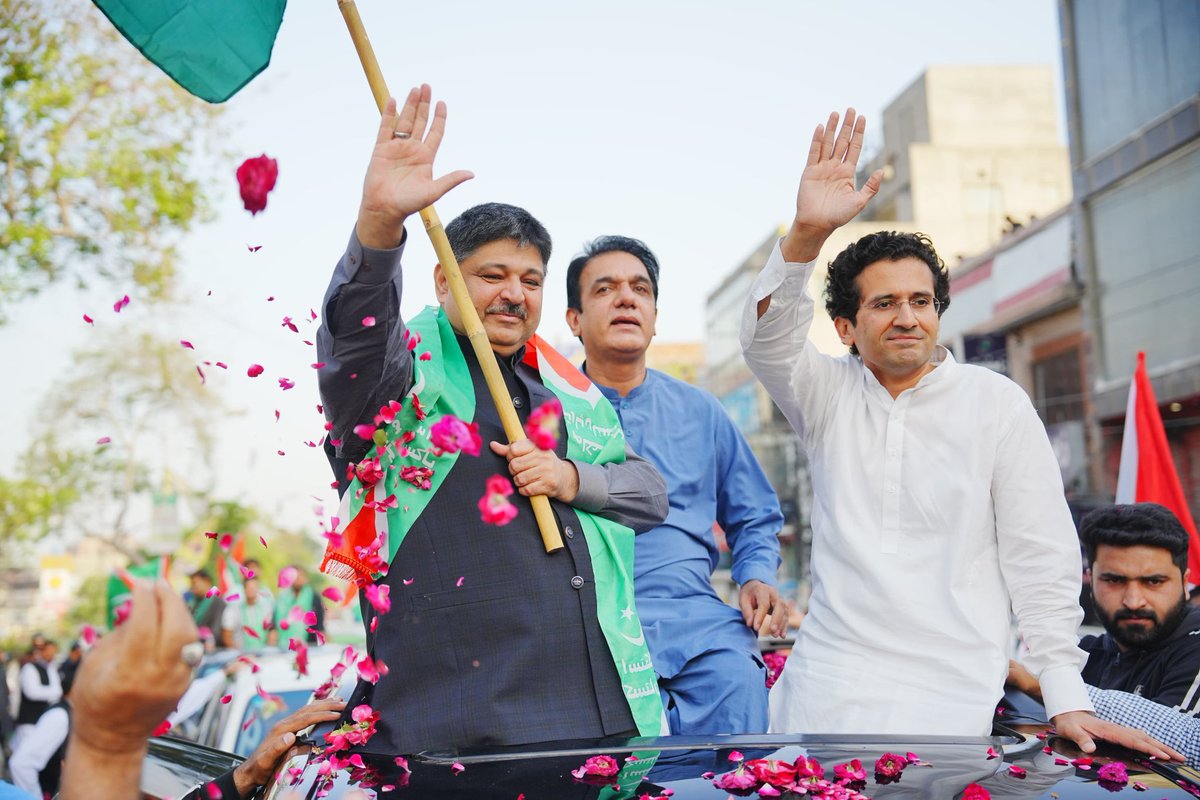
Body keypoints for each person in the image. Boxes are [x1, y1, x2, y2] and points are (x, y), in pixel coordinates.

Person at [738, 107, 1180, 759]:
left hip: (949, 708)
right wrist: (805, 234)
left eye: (921, 301)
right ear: (844, 328)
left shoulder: (995, 403)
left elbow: (1040, 555)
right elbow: (765, 339)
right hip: (825, 696)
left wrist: (1065, 694)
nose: (908, 317)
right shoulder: (826, 394)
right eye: (884, 303)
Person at [315, 85, 668, 753]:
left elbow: (649, 494)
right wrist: (378, 226)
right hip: (456, 740)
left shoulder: (568, 394)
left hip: (597, 730)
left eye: (531, 280)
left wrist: (568, 478)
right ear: (444, 282)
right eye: (491, 275)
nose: (514, 294)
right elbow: (354, 345)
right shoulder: (400, 378)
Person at [564, 234, 785, 734]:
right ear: (574, 319)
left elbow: (754, 514)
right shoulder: (544, 410)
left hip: (693, 617)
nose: (626, 298)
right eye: (605, 289)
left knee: (737, 683)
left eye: (640, 289)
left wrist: (755, 575)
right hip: (584, 621)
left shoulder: (701, 410)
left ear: (655, 315)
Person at [1009, 503, 1200, 716]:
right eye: (1114, 580)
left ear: (1184, 584)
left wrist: (1049, 688)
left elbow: (1181, 738)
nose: (1134, 601)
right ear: (1091, 580)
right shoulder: (1084, 655)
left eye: (1154, 582)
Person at [11, 639, 60, 752]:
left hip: (44, 721)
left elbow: (57, 690)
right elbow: (32, 692)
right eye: (48, 651)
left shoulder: (50, 668)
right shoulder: (30, 668)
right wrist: (54, 692)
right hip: (30, 722)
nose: (51, 654)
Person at [186, 569, 234, 650]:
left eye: (195, 583)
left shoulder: (218, 603)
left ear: (207, 581)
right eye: (191, 584)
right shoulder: (193, 603)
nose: (193, 587)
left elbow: (216, 631)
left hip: (214, 650)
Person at [277, 565, 323, 644]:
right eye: (295, 576)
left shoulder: (314, 597)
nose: (298, 578)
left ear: (306, 579)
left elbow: (320, 620)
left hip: (309, 642)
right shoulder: (282, 597)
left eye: (301, 575)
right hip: (284, 643)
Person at [238, 576, 278, 651]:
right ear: (244, 589)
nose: (251, 590)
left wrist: (269, 648)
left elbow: (272, 630)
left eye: (254, 587)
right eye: (249, 587)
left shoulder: (266, 607)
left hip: (264, 651)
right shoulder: (237, 610)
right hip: (244, 652)